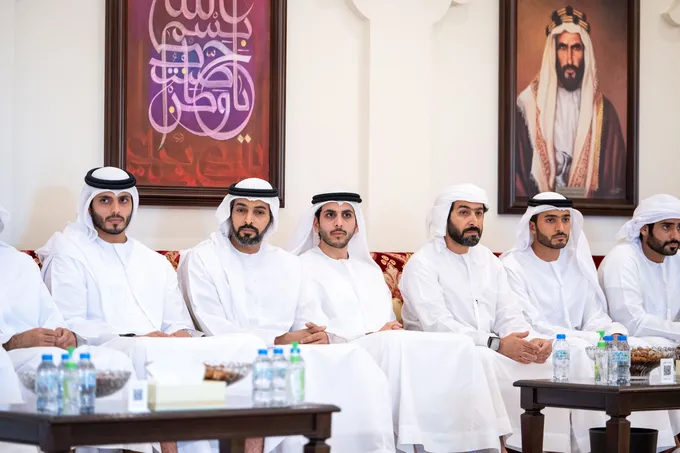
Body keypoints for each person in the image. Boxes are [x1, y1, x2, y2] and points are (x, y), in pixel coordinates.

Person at [37, 168, 265, 453]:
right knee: (148, 352)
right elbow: (70, 324)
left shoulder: (152, 261)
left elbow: (178, 323)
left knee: (248, 345)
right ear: (89, 205)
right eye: (105, 200)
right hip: (108, 349)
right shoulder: (68, 252)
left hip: (163, 348)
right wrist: (139, 337)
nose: (116, 210)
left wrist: (178, 336)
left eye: (123, 200)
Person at [178, 179, 396, 453]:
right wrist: (278, 339)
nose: (249, 219)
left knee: (352, 361)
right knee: (282, 373)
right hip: (223, 359)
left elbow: (306, 318)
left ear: (270, 219)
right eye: (241, 210)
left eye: (259, 212)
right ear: (229, 213)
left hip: (284, 354)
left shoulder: (288, 263)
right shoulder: (202, 258)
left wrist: (312, 335)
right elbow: (212, 324)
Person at [288, 191, 512, 453]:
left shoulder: (368, 269)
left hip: (383, 345)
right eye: (330, 215)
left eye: (347, 215)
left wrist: (382, 331)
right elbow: (313, 330)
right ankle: (413, 444)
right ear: (316, 224)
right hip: (338, 353)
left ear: (356, 225)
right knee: (396, 344)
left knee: (462, 347)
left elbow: (388, 321)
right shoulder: (300, 266)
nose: (339, 223)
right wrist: (372, 334)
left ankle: (469, 443)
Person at [398, 183, 572, 452]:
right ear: (444, 217)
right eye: (464, 213)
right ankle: (496, 446)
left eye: (479, 214)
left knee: (545, 364)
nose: (474, 221)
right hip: (438, 356)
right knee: (481, 359)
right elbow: (438, 325)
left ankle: (542, 445)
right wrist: (497, 344)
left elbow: (508, 313)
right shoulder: (423, 264)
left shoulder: (488, 260)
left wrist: (530, 342)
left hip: (487, 349)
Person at [500, 193, 677, 452]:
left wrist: (613, 332)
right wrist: (590, 338)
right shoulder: (512, 265)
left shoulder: (577, 263)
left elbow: (596, 316)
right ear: (532, 226)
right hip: (543, 342)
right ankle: (578, 445)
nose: (560, 227)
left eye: (565, 219)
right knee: (580, 351)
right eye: (550, 220)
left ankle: (644, 442)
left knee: (637, 350)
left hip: (584, 341)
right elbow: (529, 322)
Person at [515, 5, 625, 199]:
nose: (570, 59)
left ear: (585, 52)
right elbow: (517, 177)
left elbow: (615, 184)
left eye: (576, 48)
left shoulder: (604, 112)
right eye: (562, 48)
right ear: (553, 51)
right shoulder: (527, 106)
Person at [599, 194, 680, 345]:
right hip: (628, 353)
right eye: (666, 226)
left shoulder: (676, 259)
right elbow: (632, 323)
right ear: (644, 228)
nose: (675, 235)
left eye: (679, 227)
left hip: (669, 352)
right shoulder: (622, 259)